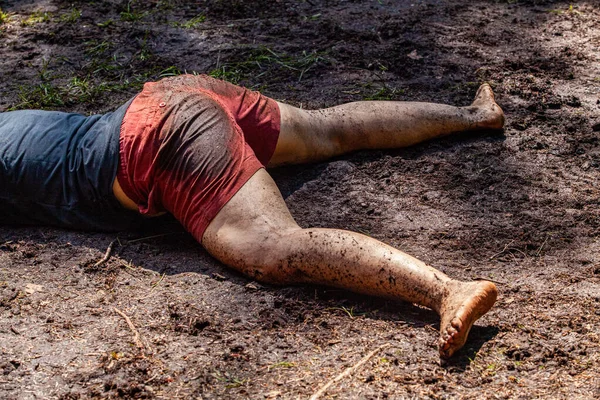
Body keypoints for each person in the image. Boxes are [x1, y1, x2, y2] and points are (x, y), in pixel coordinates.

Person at [0, 74, 504, 358]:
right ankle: (476, 115)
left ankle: (447, 291)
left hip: (158, 142)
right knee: (329, 130)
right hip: (174, 96)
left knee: (274, 249)